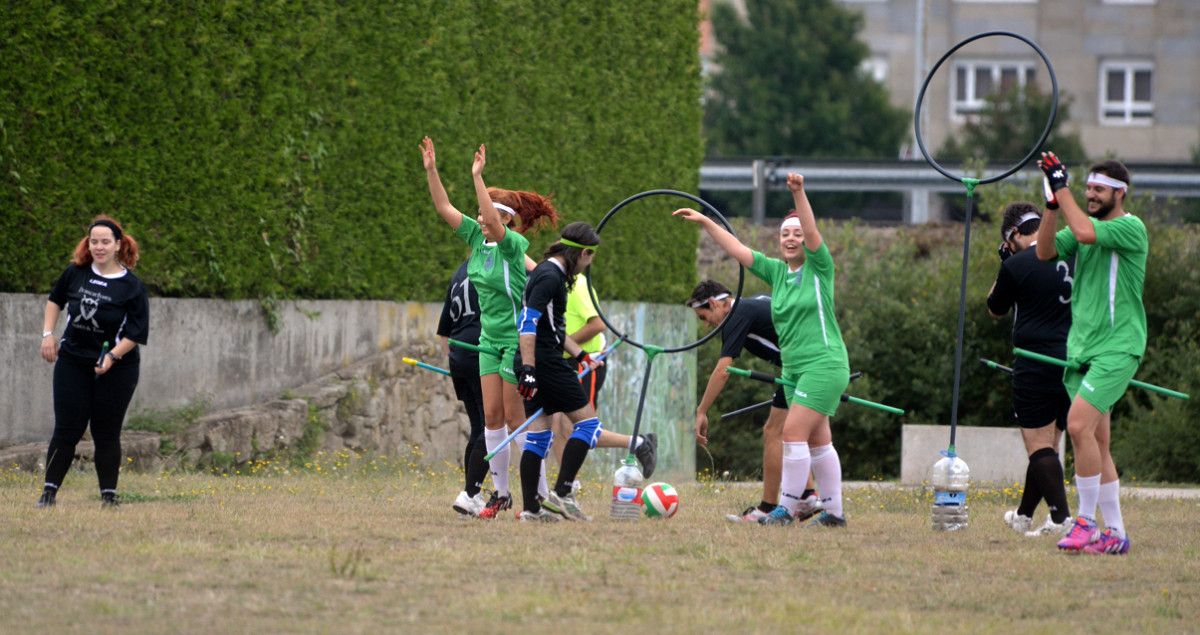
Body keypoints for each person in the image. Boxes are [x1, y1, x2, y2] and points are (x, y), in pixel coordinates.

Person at [675, 173, 850, 527]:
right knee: (818, 442)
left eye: (797, 234)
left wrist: (799, 194)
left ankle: (784, 509)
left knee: (791, 434)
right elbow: (737, 250)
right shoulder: (777, 272)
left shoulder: (819, 268)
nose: (790, 238)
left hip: (823, 363)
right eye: (785, 233)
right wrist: (707, 221)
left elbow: (812, 232)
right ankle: (834, 514)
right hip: (794, 370)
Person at [421, 137, 557, 519]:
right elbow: (444, 206)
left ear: (505, 219)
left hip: (517, 342)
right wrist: (432, 171)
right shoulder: (475, 242)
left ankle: (542, 495)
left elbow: (494, 223)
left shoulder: (511, 244)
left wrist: (477, 177)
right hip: (487, 342)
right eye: (479, 216)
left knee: (517, 419)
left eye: (486, 214)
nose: (479, 219)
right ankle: (501, 494)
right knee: (492, 419)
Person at [1035, 153, 1145, 555]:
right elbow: (1044, 252)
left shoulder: (1131, 228)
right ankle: (1115, 533)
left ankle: (1085, 523)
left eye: (1098, 189)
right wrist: (1051, 204)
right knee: (1097, 440)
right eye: (1088, 189)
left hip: (1119, 348)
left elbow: (1081, 232)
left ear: (1120, 192)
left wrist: (1062, 187)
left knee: (1077, 426)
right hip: (1082, 350)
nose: (1092, 195)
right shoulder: (1087, 225)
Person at [37, 215, 149, 508]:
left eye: (105, 242)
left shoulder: (132, 287)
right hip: (73, 361)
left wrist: (112, 356)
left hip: (118, 367)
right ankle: (48, 494)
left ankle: (108, 497)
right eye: (94, 241)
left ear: (117, 245)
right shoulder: (76, 273)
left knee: (106, 431)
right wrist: (48, 334)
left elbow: (137, 333)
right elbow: (55, 300)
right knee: (67, 429)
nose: (99, 247)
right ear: (88, 244)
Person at [687, 280, 821, 523]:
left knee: (774, 432)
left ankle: (768, 508)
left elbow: (723, 371)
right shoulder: (752, 303)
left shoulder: (736, 316)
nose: (706, 325)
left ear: (716, 303)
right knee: (790, 433)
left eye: (703, 316)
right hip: (807, 364)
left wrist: (702, 410)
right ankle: (808, 496)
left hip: (804, 367)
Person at [986, 202, 1074, 537]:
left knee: (1038, 447)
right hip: (1073, 361)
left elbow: (995, 308)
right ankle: (1025, 515)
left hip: (1035, 361)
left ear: (1012, 237)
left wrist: (1005, 265)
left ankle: (1062, 518)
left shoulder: (1018, 264)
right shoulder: (1074, 257)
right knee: (1049, 446)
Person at [513, 222, 609, 522]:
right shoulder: (549, 276)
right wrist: (529, 368)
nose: (588, 265)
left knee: (539, 436)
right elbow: (528, 323)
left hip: (542, 359)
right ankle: (562, 493)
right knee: (588, 425)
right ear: (582, 253)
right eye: (589, 258)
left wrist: (581, 355)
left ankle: (531, 510)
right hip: (544, 363)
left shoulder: (549, 273)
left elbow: (552, 328)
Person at [547, 271, 657, 490]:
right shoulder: (554, 281)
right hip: (565, 362)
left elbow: (597, 325)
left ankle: (639, 443)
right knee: (558, 426)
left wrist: (563, 344)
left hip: (586, 363)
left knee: (579, 427)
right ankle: (569, 483)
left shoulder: (577, 285)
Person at [436, 259, 491, 516]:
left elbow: (443, 332)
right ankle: (470, 493)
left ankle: (472, 493)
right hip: (481, 352)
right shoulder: (494, 265)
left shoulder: (460, 270)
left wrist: (455, 361)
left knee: (480, 427)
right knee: (494, 426)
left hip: (458, 355)